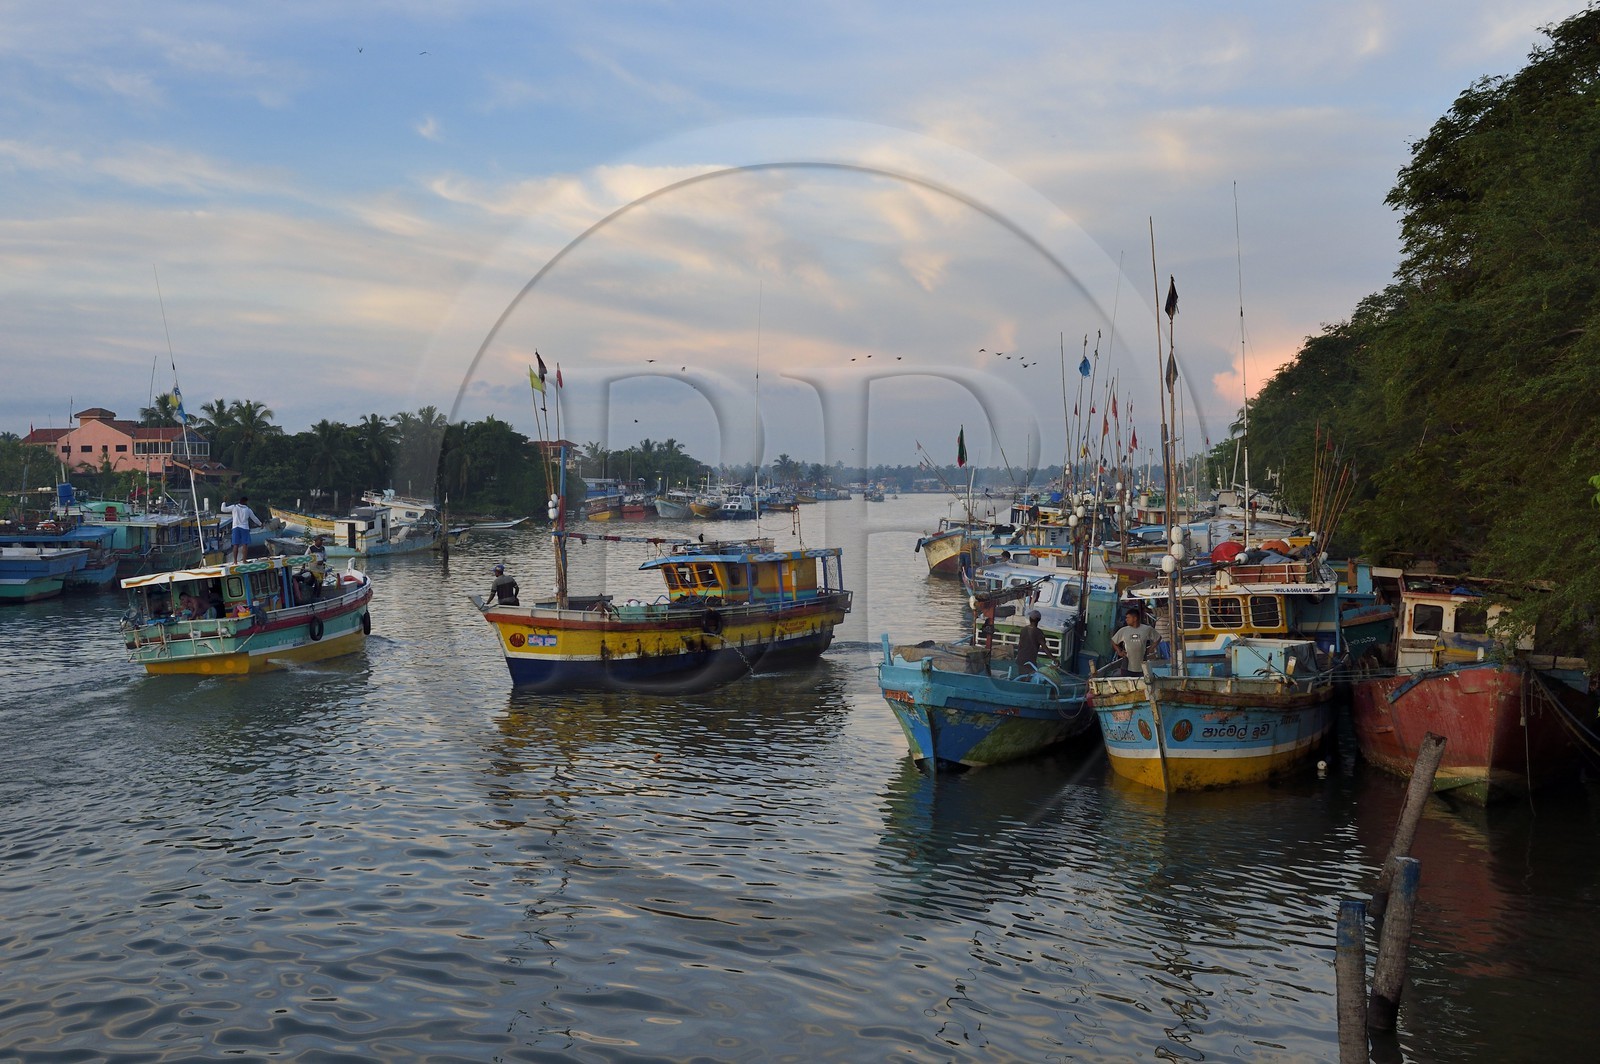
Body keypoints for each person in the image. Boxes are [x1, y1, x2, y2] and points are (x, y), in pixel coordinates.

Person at [1110, 608, 1160, 674]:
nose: (1126, 619)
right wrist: (1119, 651)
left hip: (1142, 664)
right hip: (1127, 665)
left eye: (1128, 618)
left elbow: (1158, 638)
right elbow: (1113, 641)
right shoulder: (1123, 630)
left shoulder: (1147, 629)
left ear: (1135, 618)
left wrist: (1150, 649)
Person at [224, 495, 263, 563]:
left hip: (235, 527)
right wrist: (260, 524)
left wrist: (224, 501)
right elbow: (254, 518)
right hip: (244, 528)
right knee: (245, 544)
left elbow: (223, 509)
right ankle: (244, 560)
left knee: (235, 544)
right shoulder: (248, 510)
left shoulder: (234, 507)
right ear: (245, 501)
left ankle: (235, 561)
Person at [1014, 609, 1045, 675]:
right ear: (1039, 620)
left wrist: (1018, 655)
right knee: (1031, 677)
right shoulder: (1039, 632)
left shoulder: (1023, 630)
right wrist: (1053, 658)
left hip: (1021, 659)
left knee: (1022, 677)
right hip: (1030, 660)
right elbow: (1044, 647)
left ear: (1030, 618)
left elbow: (1020, 644)